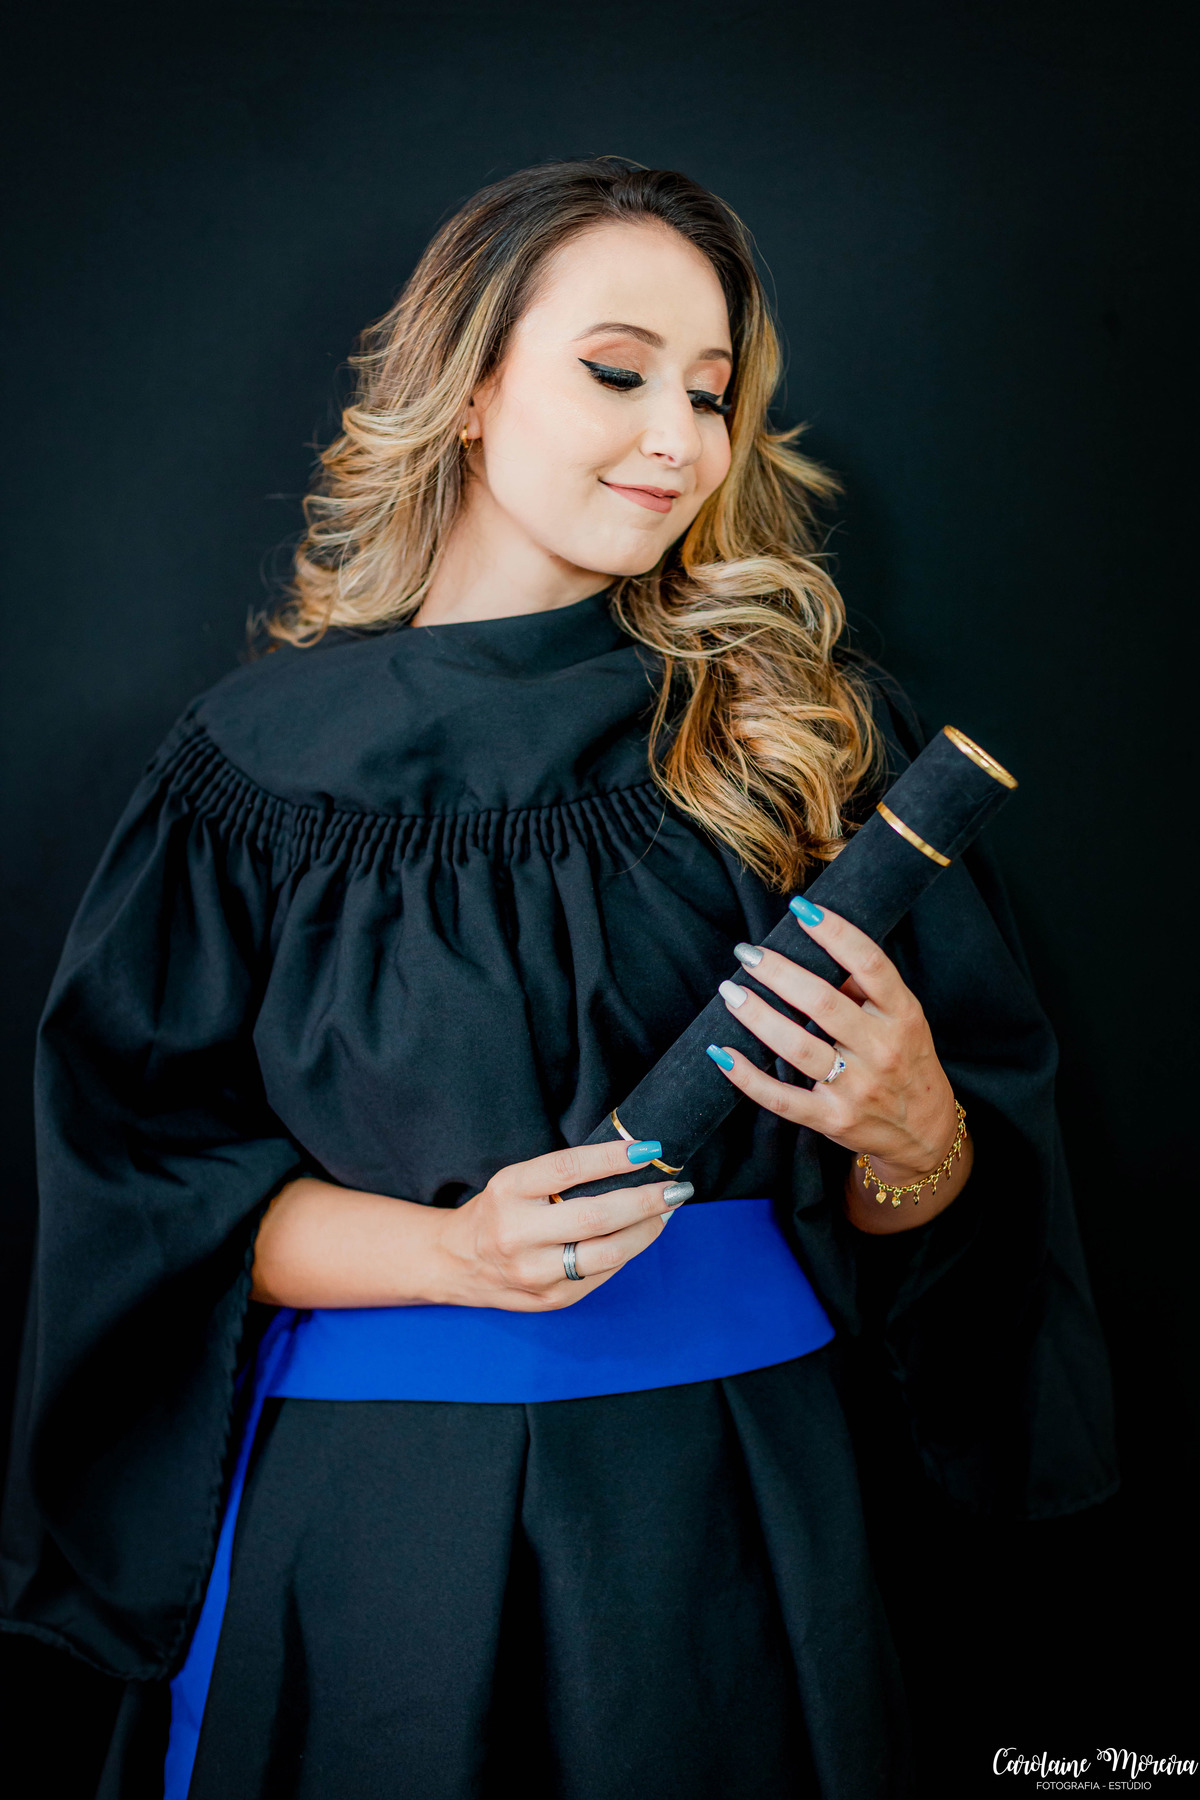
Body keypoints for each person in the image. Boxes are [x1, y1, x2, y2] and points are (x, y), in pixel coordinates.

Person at [0, 159, 1117, 1800]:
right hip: (367, 1526)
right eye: (617, 371)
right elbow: (143, 1203)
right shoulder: (250, 772)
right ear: (467, 389)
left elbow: (952, 1232)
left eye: (710, 393)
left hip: (739, 1513)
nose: (678, 438)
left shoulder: (796, 744)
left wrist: (918, 1133)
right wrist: (450, 1253)